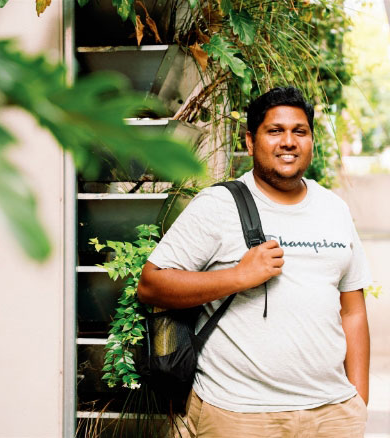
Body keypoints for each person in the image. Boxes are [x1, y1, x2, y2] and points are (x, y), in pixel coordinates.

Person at [138, 86, 372, 437]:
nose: (288, 141)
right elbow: (151, 285)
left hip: (332, 414)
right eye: (275, 131)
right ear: (250, 142)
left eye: (300, 131)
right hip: (239, 413)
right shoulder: (217, 206)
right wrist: (238, 276)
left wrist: (358, 401)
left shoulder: (334, 209)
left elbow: (352, 310)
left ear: (311, 141)